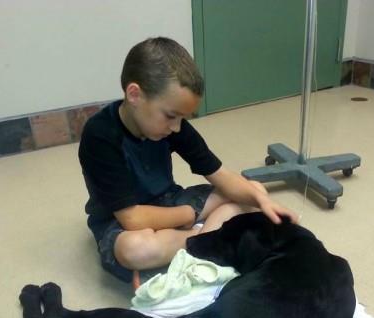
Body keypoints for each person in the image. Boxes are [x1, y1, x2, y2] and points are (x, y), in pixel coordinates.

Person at [79, 36, 298, 288]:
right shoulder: (100, 134)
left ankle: (194, 246)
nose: (176, 127)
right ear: (134, 95)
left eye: (182, 118)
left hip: (169, 202)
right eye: (171, 116)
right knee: (136, 250)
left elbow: (220, 175)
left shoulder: (174, 125)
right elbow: (132, 219)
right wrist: (188, 214)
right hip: (122, 221)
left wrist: (264, 201)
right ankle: (206, 239)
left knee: (254, 190)